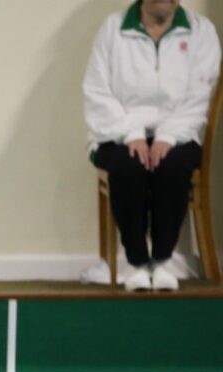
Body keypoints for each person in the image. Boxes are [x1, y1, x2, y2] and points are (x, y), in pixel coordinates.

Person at [84, 0, 221, 291]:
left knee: (171, 166)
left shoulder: (202, 32)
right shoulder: (112, 29)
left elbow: (202, 94)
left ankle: (161, 261)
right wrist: (130, 133)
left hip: (179, 132)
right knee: (127, 166)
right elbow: (97, 91)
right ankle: (136, 262)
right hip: (119, 131)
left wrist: (167, 137)